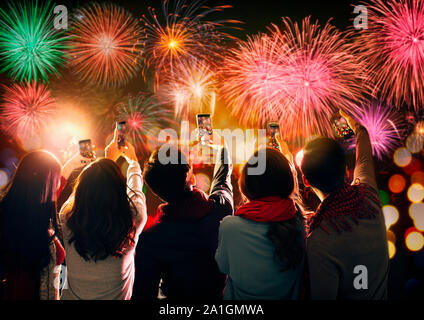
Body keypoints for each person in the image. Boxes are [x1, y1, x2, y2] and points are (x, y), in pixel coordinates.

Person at [300, 110, 389, 300]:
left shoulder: (320, 239)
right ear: (347, 171)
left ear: (306, 181)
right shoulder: (368, 196)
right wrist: (355, 125)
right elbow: (364, 152)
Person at [132, 139, 233, 300]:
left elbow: (143, 294)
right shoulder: (221, 210)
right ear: (191, 178)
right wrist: (222, 147)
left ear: (156, 192)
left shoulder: (150, 240)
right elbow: (223, 178)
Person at [59, 130, 147, 300]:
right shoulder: (134, 218)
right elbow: (136, 191)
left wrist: (105, 163)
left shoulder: (66, 217)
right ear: (119, 189)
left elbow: (78, 195)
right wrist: (133, 162)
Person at [215, 146, 305, 300]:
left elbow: (223, 266)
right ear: (288, 182)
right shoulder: (298, 222)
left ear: (246, 184)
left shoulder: (229, 227)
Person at [0, 150, 65, 300]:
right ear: (43, 184)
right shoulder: (35, 233)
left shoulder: (22, 218)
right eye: (56, 179)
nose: (59, 184)